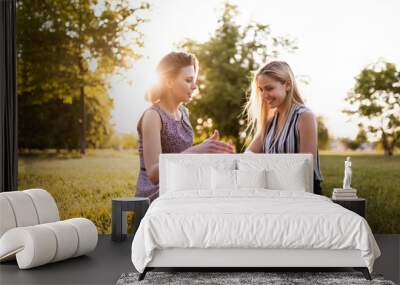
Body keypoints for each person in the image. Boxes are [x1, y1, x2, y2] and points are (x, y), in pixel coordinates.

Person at [136, 51, 234, 202]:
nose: (194, 86)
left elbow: (185, 157)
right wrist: (196, 151)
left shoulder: (184, 112)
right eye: (188, 80)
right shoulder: (153, 116)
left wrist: (208, 151)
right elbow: (154, 174)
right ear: (169, 81)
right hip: (156, 193)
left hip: (180, 185)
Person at [243, 60, 323, 194]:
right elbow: (248, 156)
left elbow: (306, 168)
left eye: (269, 88)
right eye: (261, 90)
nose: (263, 95)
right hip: (276, 192)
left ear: (287, 85)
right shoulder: (269, 121)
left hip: (303, 194)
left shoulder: (304, 117)